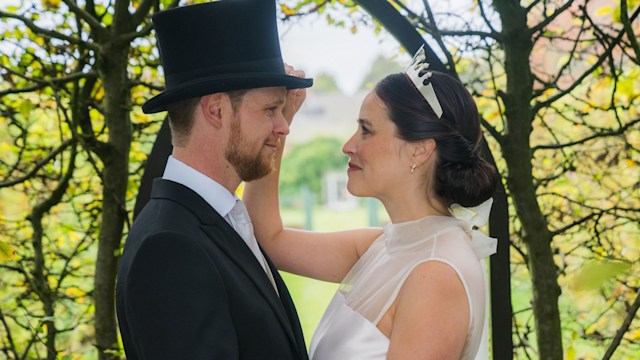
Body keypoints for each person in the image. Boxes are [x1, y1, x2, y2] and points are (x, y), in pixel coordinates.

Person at [244, 45, 500, 359]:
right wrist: (278, 125)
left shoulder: (436, 273)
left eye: (366, 130)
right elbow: (267, 239)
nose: (348, 146)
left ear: (419, 149)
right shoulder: (384, 245)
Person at [115, 1, 312, 359]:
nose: (283, 127)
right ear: (216, 109)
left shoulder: (215, 220)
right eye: (270, 110)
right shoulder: (169, 249)